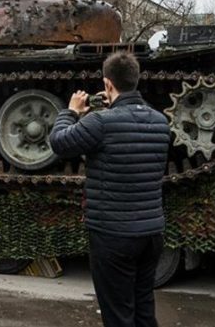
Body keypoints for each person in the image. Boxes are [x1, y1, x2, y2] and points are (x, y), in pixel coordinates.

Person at [48, 51, 170, 327]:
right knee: (143, 308)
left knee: (117, 314)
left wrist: (71, 111)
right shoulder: (159, 122)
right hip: (151, 233)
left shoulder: (100, 122)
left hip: (114, 235)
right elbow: (132, 124)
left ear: (107, 84)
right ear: (135, 80)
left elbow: (58, 142)